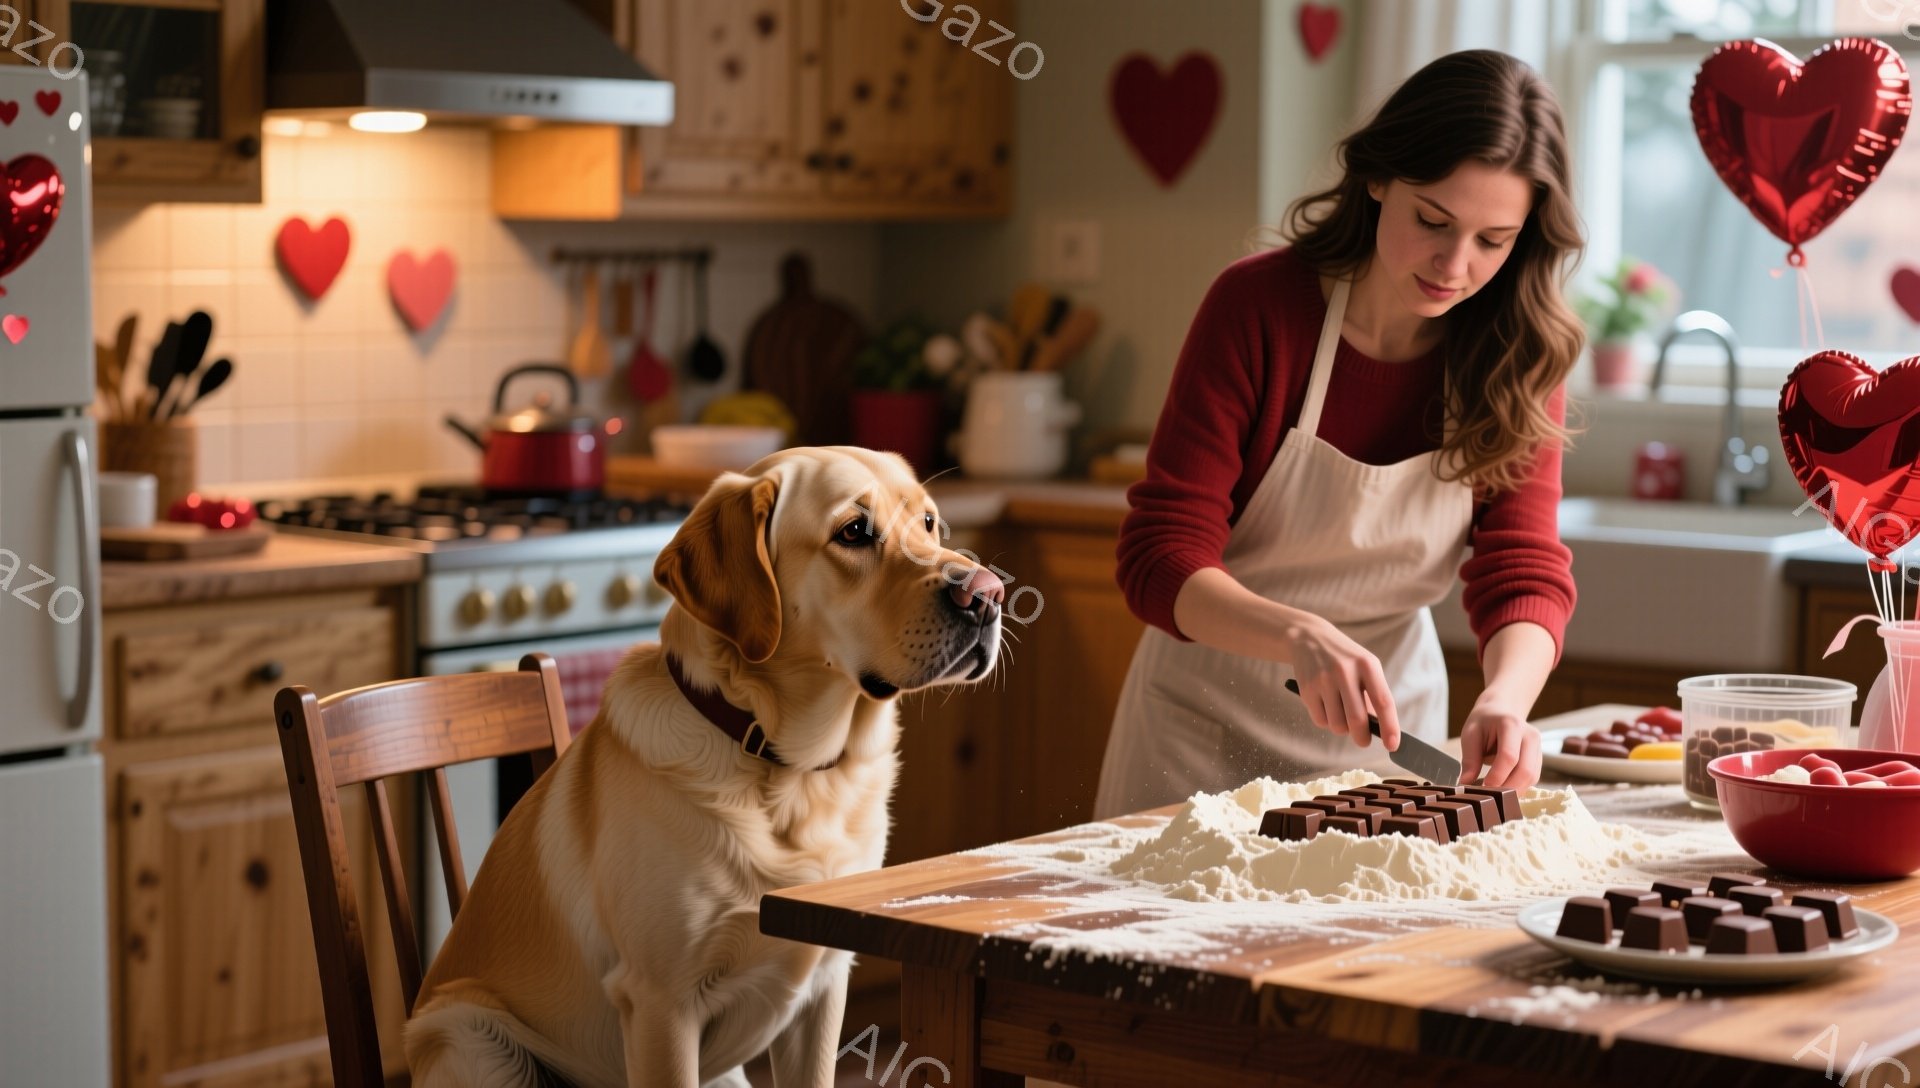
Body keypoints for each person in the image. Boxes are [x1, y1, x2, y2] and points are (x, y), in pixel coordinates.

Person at [1095, 50, 1582, 819]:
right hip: (1199, 727)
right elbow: (1160, 556)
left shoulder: (1523, 353)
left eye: (1493, 240)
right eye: (1433, 220)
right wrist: (1298, 633)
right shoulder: (1259, 309)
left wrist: (1506, 699)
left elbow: (1522, 569)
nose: (1455, 266)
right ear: (1378, 179)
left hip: (1391, 739)